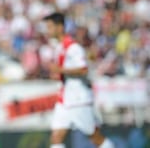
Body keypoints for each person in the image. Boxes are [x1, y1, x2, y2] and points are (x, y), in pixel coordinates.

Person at [42, 12, 114, 148]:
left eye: (50, 27)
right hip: (65, 99)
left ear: (60, 27)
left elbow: (83, 69)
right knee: (56, 137)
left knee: (95, 137)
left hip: (79, 100)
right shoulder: (59, 47)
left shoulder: (74, 48)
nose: (48, 31)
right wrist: (58, 75)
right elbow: (67, 71)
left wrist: (60, 70)